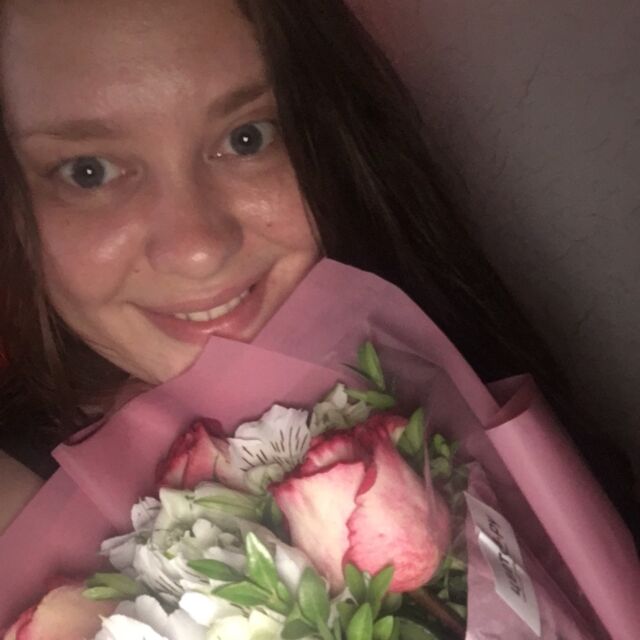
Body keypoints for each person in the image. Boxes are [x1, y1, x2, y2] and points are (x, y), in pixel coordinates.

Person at [0, 0, 636, 538]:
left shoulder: (477, 361)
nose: (198, 248)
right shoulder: (19, 509)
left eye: (247, 138)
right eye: (88, 172)